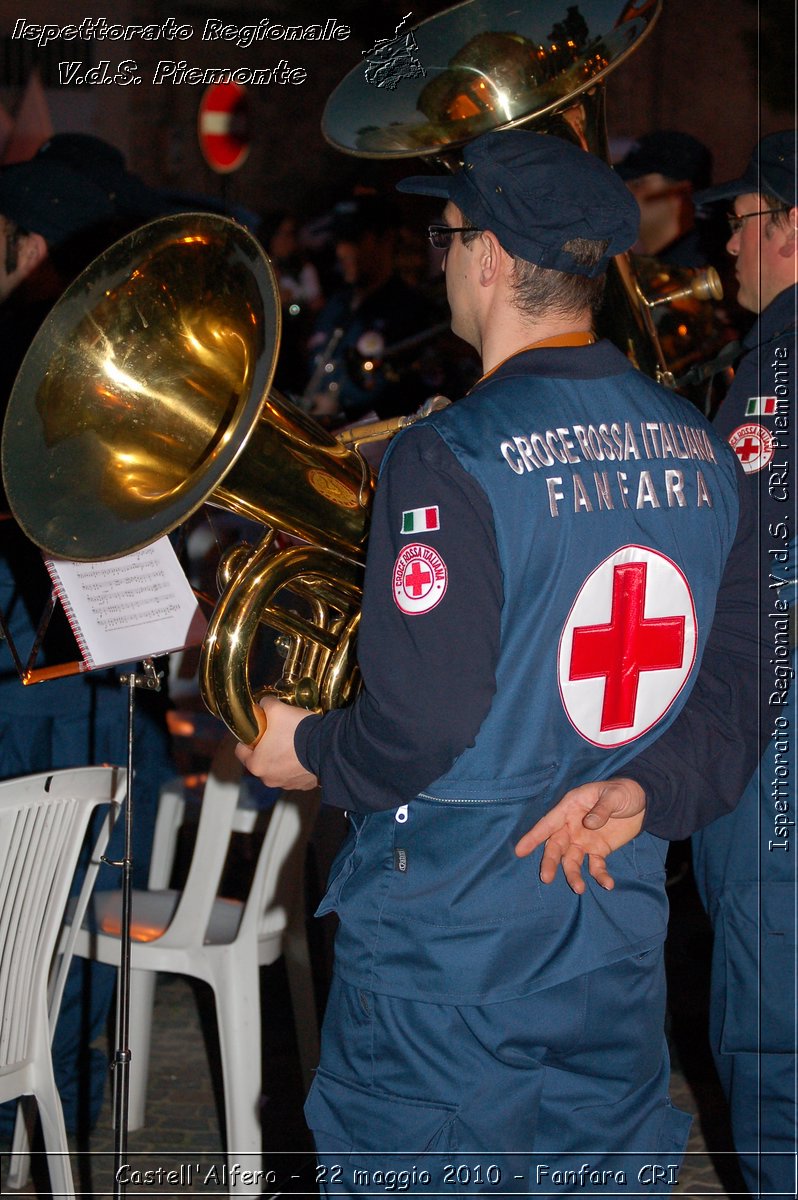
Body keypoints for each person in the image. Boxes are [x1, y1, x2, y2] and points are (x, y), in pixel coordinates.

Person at [236, 129, 754, 1194]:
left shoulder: (451, 452)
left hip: (450, 950)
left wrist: (312, 748)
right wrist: (649, 785)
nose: (439, 257)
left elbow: (422, 725)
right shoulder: (702, 446)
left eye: (448, 232)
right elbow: (741, 688)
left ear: (491, 258)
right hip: (608, 931)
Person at [517, 130, 796, 1198]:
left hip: (778, 709)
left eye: (744, 216)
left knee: (777, 1031)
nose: (727, 238)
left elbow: (741, 546)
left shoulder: (782, 355)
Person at [0, 136, 175, 1139]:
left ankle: (31, 1121)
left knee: (45, 919)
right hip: (100, 676)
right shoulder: (110, 350)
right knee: (80, 919)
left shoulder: (37, 351)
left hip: (54, 677)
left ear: (29, 246)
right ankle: (55, 1117)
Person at [302, 192, 435, 423]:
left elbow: (407, 402)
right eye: (339, 240)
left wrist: (339, 411)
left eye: (354, 239)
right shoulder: (336, 304)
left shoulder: (412, 312)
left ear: (387, 239)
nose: (342, 250)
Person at [615, 130, 715, 266]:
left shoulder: (693, 274)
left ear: (681, 193)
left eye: (637, 184)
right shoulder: (661, 267)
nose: (621, 193)